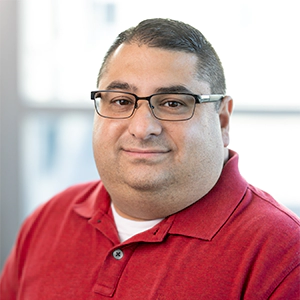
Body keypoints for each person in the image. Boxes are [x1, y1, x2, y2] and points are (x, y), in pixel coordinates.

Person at [1, 18, 300, 299]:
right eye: (121, 101)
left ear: (222, 120)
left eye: (172, 103)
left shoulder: (284, 255)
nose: (142, 128)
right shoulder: (49, 219)